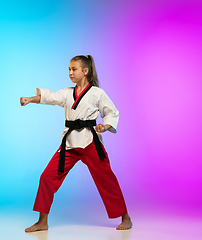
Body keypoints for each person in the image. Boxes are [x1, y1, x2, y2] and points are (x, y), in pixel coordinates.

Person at [20, 55, 132, 232]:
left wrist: (106, 126)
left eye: (74, 69)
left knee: (106, 179)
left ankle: (125, 217)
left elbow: (112, 112)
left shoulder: (97, 93)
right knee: (47, 177)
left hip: (90, 142)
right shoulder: (66, 93)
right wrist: (29, 99)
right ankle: (42, 221)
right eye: (69, 70)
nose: (70, 72)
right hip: (70, 144)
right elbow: (50, 98)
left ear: (85, 71)